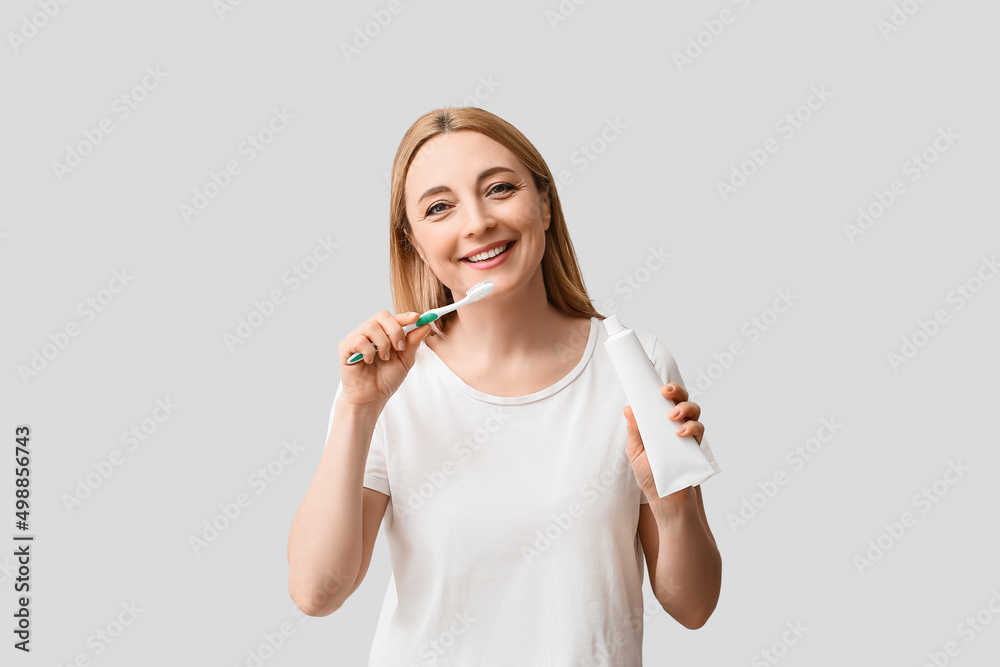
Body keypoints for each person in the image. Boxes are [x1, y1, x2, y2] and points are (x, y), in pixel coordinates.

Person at [287, 106, 722, 666]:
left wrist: (673, 503)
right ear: (415, 242)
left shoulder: (635, 365)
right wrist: (357, 408)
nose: (476, 223)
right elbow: (316, 593)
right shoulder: (387, 388)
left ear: (544, 204)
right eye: (440, 207)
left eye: (499, 189)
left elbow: (695, 607)